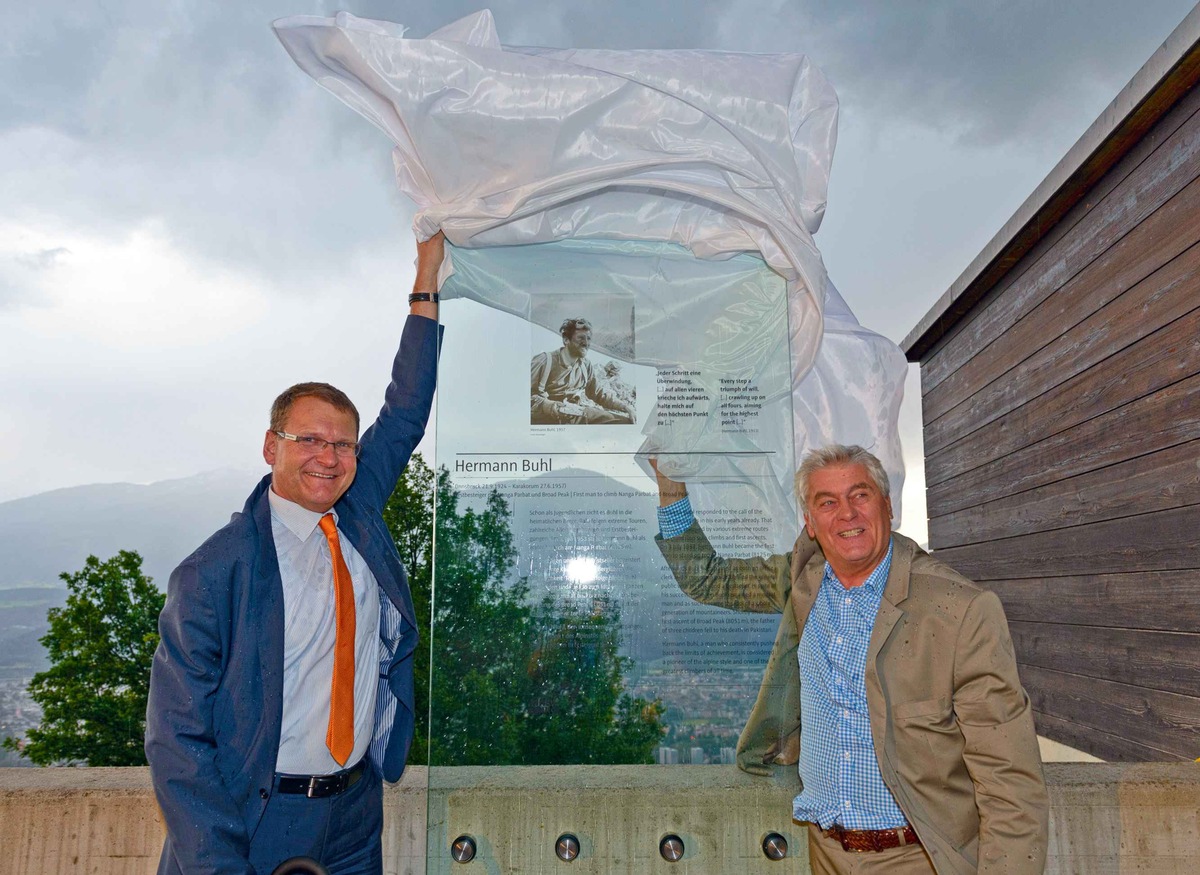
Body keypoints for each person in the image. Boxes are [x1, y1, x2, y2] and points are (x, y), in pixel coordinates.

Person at [145, 233, 446, 875]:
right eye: (308, 439)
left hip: (356, 815)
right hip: (257, 818)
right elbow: (177, 738)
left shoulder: (357, 512)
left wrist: (426, 279)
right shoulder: (214, 571)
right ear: (269, 446)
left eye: (342, 444)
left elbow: (405, 413)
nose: (328, 457)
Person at [651, 445, 1048, 875]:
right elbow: (708, 579)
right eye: (827, 502)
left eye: (860, 495)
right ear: (810, 522)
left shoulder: (960, 609)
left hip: (921, 858)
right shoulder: (804, 578)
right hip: (825, 854)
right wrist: (671, 486)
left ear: (888, 506)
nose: (847, 514)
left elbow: (1009, 779)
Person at [530, 317, 635, 424]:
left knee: (625, 421)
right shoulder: (544, 361)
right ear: (566, 339)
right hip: (544, 418)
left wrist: (626, 407)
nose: (586, 343)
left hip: (574, 414)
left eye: (588, 338)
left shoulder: (586, 365)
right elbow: (524, 397)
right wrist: (550, 406)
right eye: (581, 338)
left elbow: (598, 394)